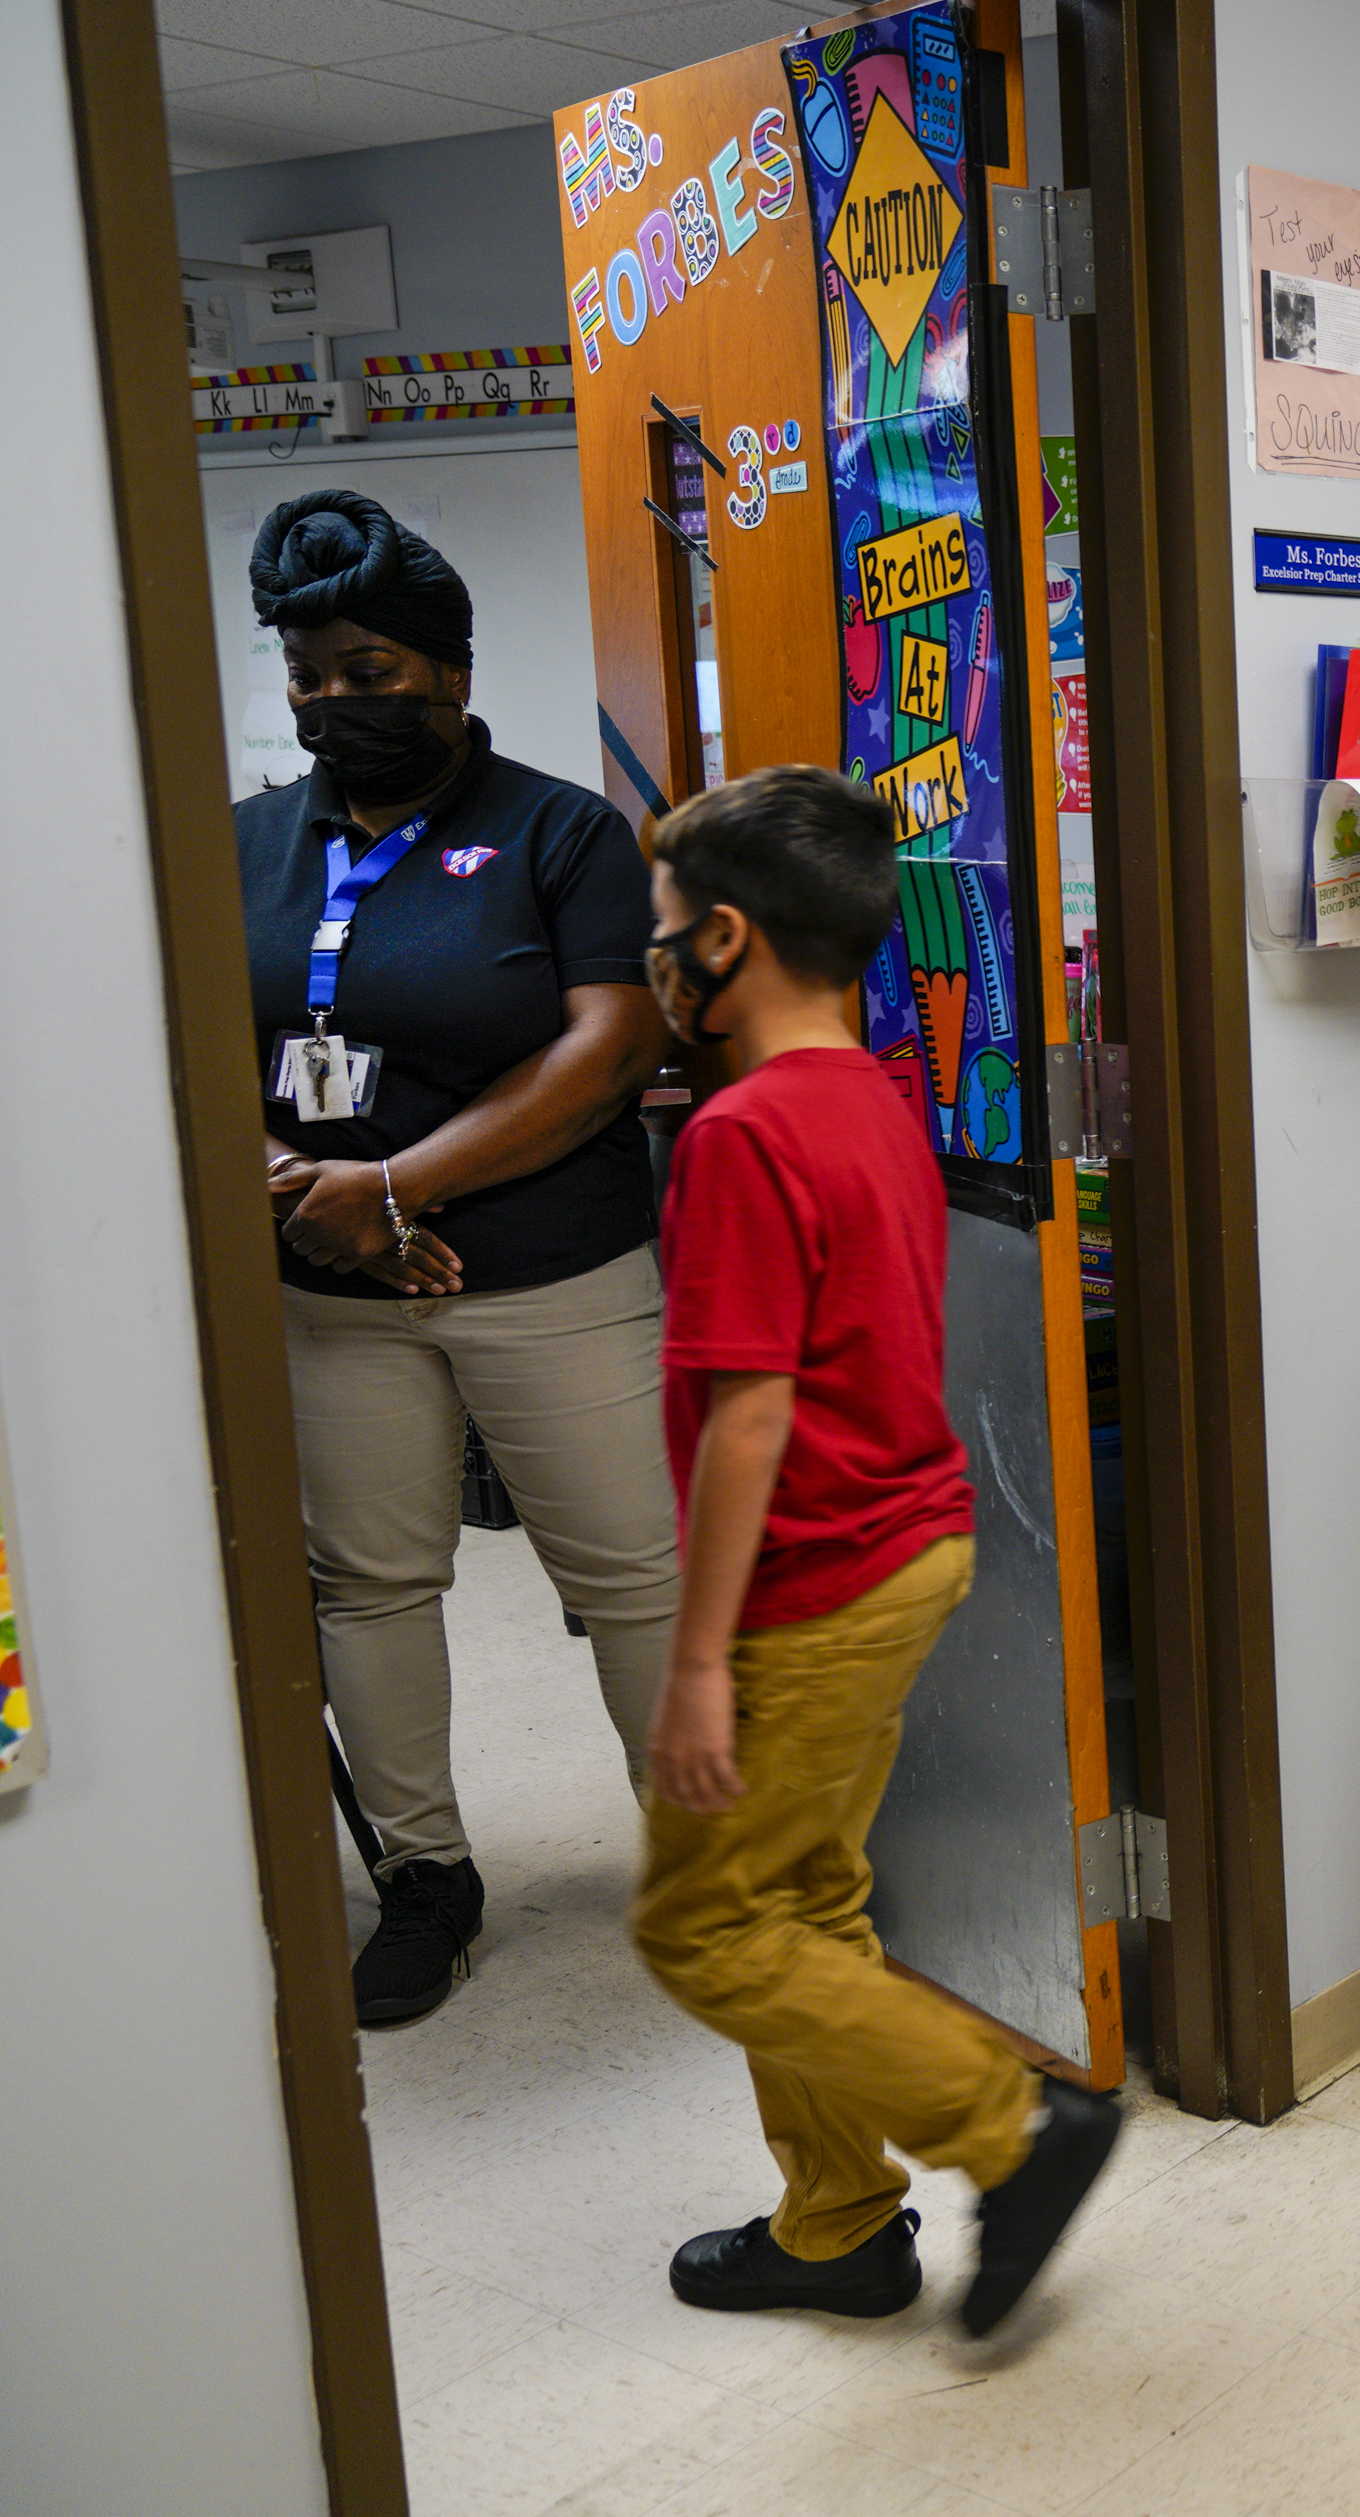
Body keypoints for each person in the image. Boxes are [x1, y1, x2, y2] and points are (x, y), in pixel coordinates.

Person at [629, 767, 1119, 2334]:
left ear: (723, 937)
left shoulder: (742, 1134)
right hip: (909, 1546)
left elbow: (747, 1422)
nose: (654, 958)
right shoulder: (870, 1097)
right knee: (805, 1899)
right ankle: (838, 2222)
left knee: (705, 1925)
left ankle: (1015, 2130)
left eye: (663, 929)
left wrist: (698, 1660)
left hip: (813, 1581)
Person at [237, 489, 681, 2028]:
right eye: (307, 679)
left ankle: (707, 1875)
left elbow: (613, 1042)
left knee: (635, 1580)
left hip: (550, 1276)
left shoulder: (558, 832)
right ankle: (425, 1877)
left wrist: (399, 1185)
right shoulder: (241, 846)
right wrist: (307, 1189)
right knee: (369, 1584)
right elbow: (180, 1040)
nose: (334, 704)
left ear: (450, 672)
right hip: (328, 1290)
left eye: (367, 673)